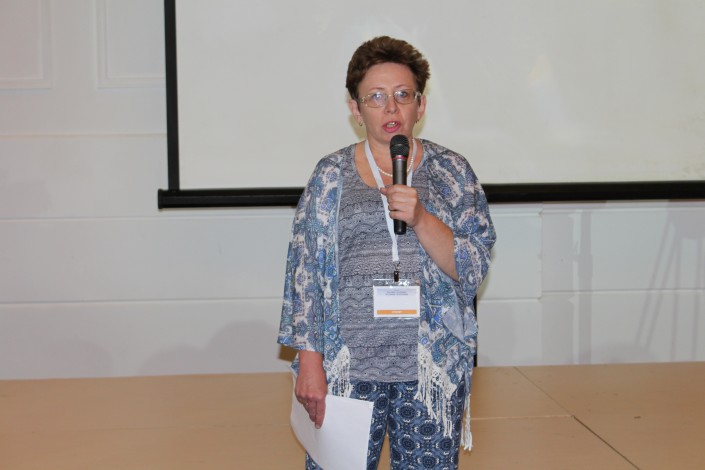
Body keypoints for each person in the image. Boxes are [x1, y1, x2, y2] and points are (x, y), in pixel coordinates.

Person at [278, 36, 496, 470]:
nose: (390, 108)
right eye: (375, 97)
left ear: (421, 105)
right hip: (346, 368)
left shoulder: (452, 171)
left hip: (430, 370)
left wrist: (421, 218)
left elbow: (472, 266)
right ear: (356, 111)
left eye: (402, 95)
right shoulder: (330, 174)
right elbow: (304, 273)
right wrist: (310, 362)